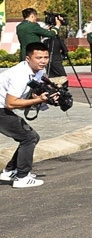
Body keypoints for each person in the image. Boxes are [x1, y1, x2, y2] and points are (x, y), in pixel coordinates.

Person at [0, 39, 55, 188]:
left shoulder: (39, 71)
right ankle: (22, 178)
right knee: (29, 137)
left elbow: (32, 91)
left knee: (30, 137)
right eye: (38, 58)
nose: (43, 61)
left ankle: (10, 171)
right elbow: (11, 103)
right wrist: (38, 100)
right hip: (2, 108)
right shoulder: (19, 74)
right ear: (28, 58)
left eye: (46, 57)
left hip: (3, 108)